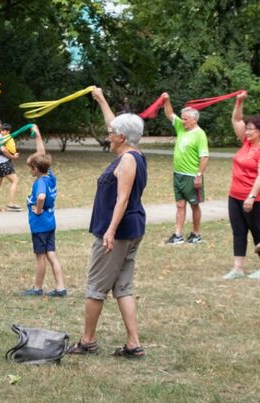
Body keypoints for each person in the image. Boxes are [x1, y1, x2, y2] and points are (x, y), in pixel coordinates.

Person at [69, 87, 147, 359]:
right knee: (123, 287)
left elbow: (122, 200)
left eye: (111, 133)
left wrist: (110, 232)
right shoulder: (134, 152)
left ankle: (87, 341)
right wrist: (101, 99)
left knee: (95, 287)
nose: (108, 135)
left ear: (122, 138)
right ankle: (133, 344)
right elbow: (114, 123)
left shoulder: (126, 160)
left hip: (119, 232)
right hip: (133, 229)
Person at [22, 125, 66, 298]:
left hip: (40, 224)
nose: (29, 170)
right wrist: (38, 134)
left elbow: (40, 197)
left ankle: (37, 288)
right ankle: (60, 288)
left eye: (30, 167)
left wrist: (38, 210)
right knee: (51, 255)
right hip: (50, 222)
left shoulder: (40, 182)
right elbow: (42, 154)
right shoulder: (49, 176)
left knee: (40, 257)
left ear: (35, 169)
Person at [222, 91, 260, 279]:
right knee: (238, 231)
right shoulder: (246, 143)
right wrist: (239, 101)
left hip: (255, 198)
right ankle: (238, 268)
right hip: (235, 195)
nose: (246, 131)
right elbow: (236, 119)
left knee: (258, 231)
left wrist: (251, 197)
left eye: (250, 129)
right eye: (246, 129)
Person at [161, 93, 209, 244]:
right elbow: (169, 113)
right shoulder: (181, 128)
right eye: (182, 118)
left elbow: (204, 157)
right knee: (180, 204)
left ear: (194, 120)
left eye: (185, 119)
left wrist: (199, 175)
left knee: (194, 205)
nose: (183, 121)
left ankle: (196, 234)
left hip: (191, 176)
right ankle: (178, 235)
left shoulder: (200, 134)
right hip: (178, 175)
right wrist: (167, 100)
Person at [0, 122, 21, 212]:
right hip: (3, 162)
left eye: (4, 130)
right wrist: (12, 156)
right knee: (15, 180)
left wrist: (13, 153)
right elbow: (3, 149)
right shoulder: (1, 137)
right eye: (1, 129)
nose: (2, 131)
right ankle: (11, 204)